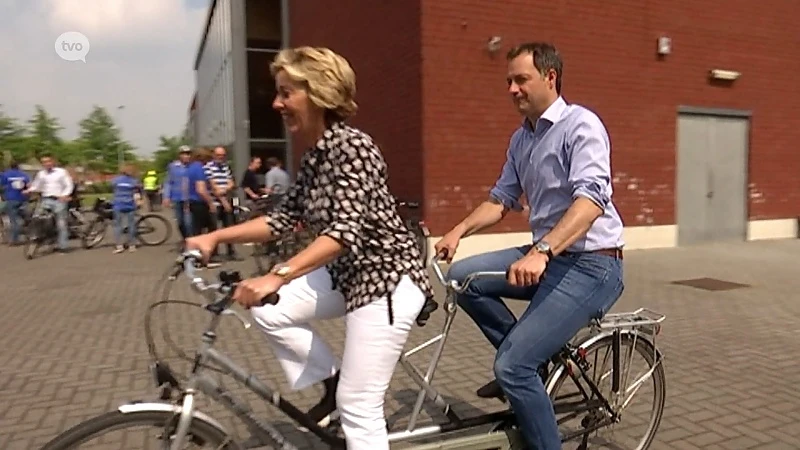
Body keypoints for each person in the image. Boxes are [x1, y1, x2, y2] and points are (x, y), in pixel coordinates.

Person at [185, 46, 432, 450]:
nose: (277, 102)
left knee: (360, 406)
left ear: (318, 93)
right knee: (271, 308)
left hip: (386, 281)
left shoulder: (354, 147)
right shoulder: (316, 155)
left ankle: (345, 397)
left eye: (286, 93)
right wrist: (215, 237)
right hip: (346, 276)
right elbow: (282, 219)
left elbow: (343, 232)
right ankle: (331, 383)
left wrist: (276, 274)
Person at [434, 42, 625, 450]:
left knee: (512, 366)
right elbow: (501, 199)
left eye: (521, 79)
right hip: (547, 256)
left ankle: (523, 371)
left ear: (550, 78)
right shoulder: (522, 140)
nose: (512, 89)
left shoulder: (581, 126)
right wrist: (458, 230)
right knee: (463, 278)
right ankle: (535, 362)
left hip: (593, 265)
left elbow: (591, 201)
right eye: (509, 81)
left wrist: (542, 252)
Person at [24, 154, 74, 253]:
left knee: (61, 223)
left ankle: (63, 246)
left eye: (48, 161)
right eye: (44, 162)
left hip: (58, 200)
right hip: (46, 199)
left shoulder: (61, 172)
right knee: (36, 218)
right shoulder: (41, 174)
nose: (46, 164)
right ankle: (37, 238)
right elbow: (36, 185)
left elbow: (69, 184)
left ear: (53, 162)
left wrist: (64, 195)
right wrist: (29, 190)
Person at [203, 146, 239, 261]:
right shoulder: (208, 167)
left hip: (226, 201)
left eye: (223, 156)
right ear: (213, 155)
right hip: (215, 203)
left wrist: (224, 190)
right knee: (213, 228)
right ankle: (214, 253)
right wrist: (224, 202)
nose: (221, 158)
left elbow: (231, 183)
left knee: (228, 228)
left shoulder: (226, 167)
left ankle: (231, 251)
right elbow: (213, 187)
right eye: (218, 155)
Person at [162, 146, 196, 247]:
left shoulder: (194, 166)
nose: (186, 156)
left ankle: (190, 242)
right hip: (177, 198)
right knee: (180, 222)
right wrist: (166, 196)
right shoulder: (173, 166)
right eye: (184, 154)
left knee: (188, 222)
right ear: (180, 155)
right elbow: (168, 182)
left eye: (188, 154)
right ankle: (185, 239)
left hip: (189, 198)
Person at [110, 164, 143, 253]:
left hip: (118, 204)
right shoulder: (134, 181)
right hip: (130, 204)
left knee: (118, 225)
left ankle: (119, 245)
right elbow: (138, 191)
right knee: (131, 225)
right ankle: (132, 245)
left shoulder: (116, 180)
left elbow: (112, 187)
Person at [0, 160, 30, 245]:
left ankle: (14, 239)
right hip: (23, 199)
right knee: (26, 218)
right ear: (18, 166)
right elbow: (28, 186)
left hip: (11, 199)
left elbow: (1, 185)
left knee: (14, 221)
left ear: (10, 166)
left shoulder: (6, 174)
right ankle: (29, 233)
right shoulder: (24, 175)